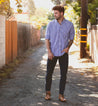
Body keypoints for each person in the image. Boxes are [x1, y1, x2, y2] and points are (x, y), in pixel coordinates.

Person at [45, 5, 75, 102]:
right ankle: (48, 93)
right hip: (52, 53)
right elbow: (47, 39)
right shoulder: (50, 24)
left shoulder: (70, 25)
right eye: (54, 13)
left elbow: (71, 38)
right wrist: (49, 51)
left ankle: (61, 95)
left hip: (63, 53)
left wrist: (68, 48)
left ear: (61, 13)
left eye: (56, 13)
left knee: (63, 75)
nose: (54, 15)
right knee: (49, 74)